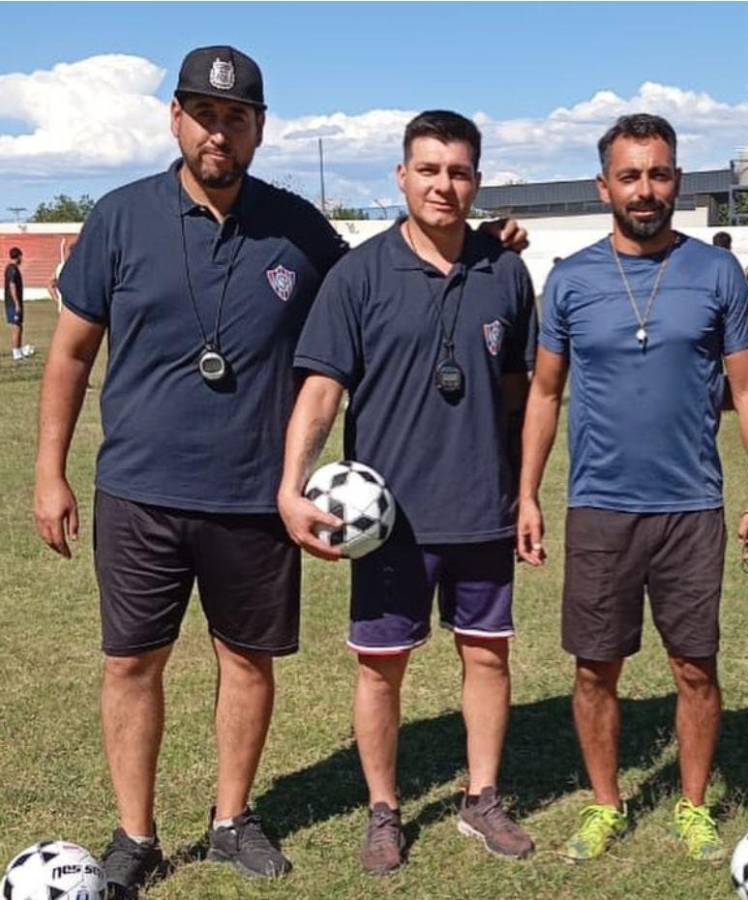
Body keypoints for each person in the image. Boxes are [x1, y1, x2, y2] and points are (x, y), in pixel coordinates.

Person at [32, 45, 529, 897]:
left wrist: (477, 243)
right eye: (203, 114)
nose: (218, 131)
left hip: (259, 494)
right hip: (139, 490)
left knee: (246, 662)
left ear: (260, 128)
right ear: (176, 119)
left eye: (236, 118)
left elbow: (398, 268)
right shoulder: (118, 218)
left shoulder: (301, 229)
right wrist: (50, 473)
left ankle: (231, 820)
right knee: (131, 664)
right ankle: (135, 833)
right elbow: (71, 356)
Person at [277, 110, 537, 874]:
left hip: (483, 507)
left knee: (487, 656)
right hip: (386, 521)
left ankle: (481, 797)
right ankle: (384, 810)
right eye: (428, 170)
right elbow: (322, 389)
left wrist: (524, 493)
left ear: (477, 182)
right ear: (402, 176)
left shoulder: (505, 271)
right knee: (380, 667)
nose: (443, 185)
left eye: (458, 172)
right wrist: (292, 487)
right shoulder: (357, 276)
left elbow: (523, 396)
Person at [517, 113, 748, 863]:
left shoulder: (716, 273)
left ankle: (693, 804)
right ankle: (606, 802)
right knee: (595, 667)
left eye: (659, 173)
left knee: (695, 665)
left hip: (690, 506)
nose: (646, 188)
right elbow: (543, 392)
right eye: (630, 175)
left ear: (677, 181)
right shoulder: (570, 281)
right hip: (600, 507)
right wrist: (528, 494)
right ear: (605, 186)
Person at [5, 247, 33, 360]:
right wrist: (16, 303)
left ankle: (19, 350)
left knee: (19, 326)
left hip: (12, 302)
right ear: (19, 256)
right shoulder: (12, 269)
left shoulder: (10, 268)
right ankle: (16, 353)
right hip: (13, 303)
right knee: (17, 327)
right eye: (21, 257)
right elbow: (12, 286)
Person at [48, 241, 72, 313]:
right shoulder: (62, 267)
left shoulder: (61, 267)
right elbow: (50, 286)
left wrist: (58, 300)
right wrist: (58, 300)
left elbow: (50, 286)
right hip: (71, 310)